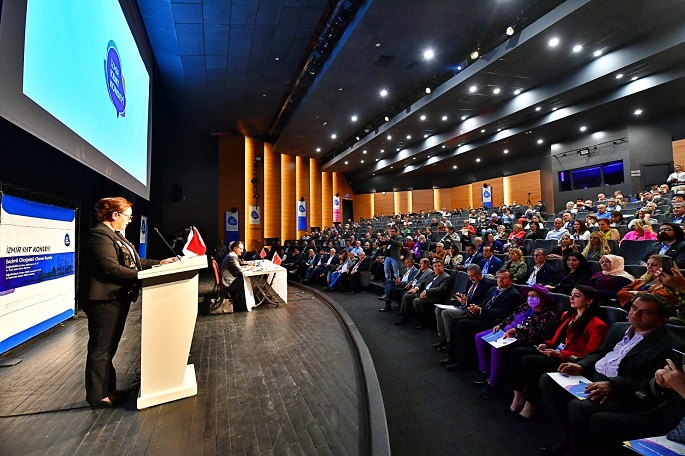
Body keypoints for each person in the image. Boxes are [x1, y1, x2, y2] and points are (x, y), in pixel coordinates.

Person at [538, 294, 684, 456]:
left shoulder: (670, 345)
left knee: (579, 407)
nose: (634, 314)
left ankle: (577, 450)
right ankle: (567, 437)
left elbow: (648, 381)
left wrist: (613, 386)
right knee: (548, 380)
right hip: (593, 376)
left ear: (662, 319)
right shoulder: (619, 327)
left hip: (622, 392)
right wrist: (580, 365)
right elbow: (599, 353)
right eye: (634, 308)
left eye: (645, 312)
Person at [80, 197, 177, 409]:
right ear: (114, 215)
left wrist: (158, 264)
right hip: (104, 300)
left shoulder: (116, 236)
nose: (129, 220)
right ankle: (97, 395)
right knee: (101, 348)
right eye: (127, 216)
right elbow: (110, 268)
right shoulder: (99, 235)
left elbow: (134, 262)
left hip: (117, 298)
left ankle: (109, 389)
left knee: (109, 347)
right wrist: (142, 276)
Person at [508, 286, 607, 420]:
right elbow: (557, 338)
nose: (571, 298)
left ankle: (530, 404)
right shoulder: (568, 315)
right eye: (571, 295)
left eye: (576, 296)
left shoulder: (597, 325)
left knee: (529, 361)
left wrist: (561, 354)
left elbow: (589, 355)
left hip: (568, 360)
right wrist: (547, 344)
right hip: (554, 351)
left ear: (589, 301)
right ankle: (518, 396)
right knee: (517, 352)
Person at [474, 284, 559, 399]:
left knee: (497, 348)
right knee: (479, 337)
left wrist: (517, 330)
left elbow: (537, 332)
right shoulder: (525, 306)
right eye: (529, 296)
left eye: (534, 296)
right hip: (505, 331)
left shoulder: (548, 315)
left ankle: (492, 383)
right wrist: (501, 324)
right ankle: (484, 371)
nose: (530, 298)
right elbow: (511, 317)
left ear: (543, 298)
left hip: (520, 337)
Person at [441, 270, 523, 370]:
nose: (501, 280)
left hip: (493, 322)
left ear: (511, 281)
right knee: (455, 321)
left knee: (462, 324)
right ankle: (453, 356)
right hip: (481, 316)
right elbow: (483, 304)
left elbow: (503, 312)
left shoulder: (513, 294)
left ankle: (463, 362)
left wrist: (480, 310)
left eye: (504, 278)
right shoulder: (493, 289)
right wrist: (475, 307)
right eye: (499, 277)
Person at [433, 264, 495, 353]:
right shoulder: (471, 282)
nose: (471, 278)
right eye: (469, 276)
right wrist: (460, 296)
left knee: (445, 313)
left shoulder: (487, 285)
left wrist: (466, 301)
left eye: (473, 276)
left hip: (470, 310)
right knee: (438, 309)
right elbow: (466, 293)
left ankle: (450, 342)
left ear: (480, 274)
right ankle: (443, 338)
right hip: (462, 306)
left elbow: (481, 303)